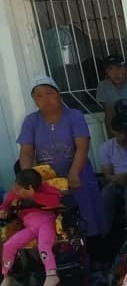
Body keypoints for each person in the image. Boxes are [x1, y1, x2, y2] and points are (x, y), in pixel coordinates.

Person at [18, 76, 106, 238]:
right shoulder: (31, 121)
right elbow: (26, 153)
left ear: (59, 95)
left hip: (78, 175)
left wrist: (74, 172)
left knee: (86, 218)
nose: (45, 99)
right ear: (35, 101)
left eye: (49, 93)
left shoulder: (74, 115)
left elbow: (82, 147)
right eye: (39, 96)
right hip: (48, 182)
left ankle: (95, 248)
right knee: (57, 225)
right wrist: (28, 179)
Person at [0, 169, 63, 286]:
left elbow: (55, 201)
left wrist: (33, 196)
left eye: (19, 188)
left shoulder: (46, 189)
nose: (16, 190)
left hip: (46, 222)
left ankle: (51, 274)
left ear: (29, 187)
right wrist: (4, 210)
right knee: (8, 245)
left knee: (43, 245)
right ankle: (7, 275)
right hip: (29, 226)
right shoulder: (16, 193)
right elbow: (7, 203)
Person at [96, 54, 127, 135]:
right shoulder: (103, 86)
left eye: (119, 67)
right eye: (110, 69)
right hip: (120, 135)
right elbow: (109, 114)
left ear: (126, 69)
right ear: (106, 71)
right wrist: (114, 136)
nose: (115, 73)